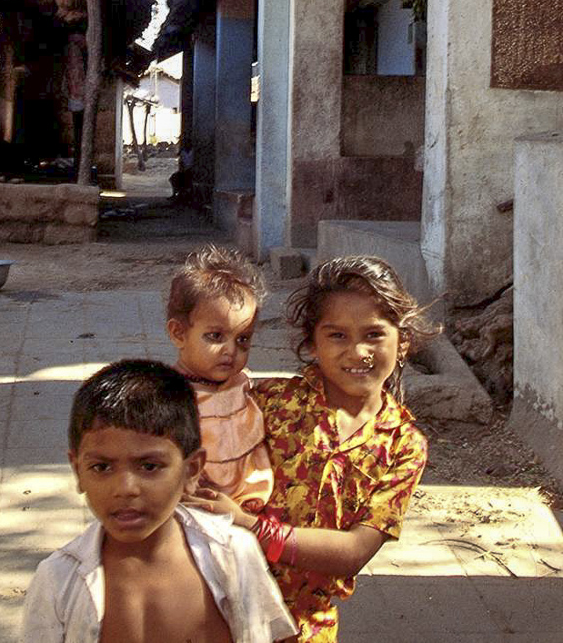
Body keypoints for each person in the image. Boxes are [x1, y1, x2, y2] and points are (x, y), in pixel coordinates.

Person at [187, 255, 438, 642]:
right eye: (337, 335)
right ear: (313, 343)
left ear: (402, 341)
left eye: (374, 334)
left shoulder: (404, 446)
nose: (357, 352)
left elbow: (355, 550)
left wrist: (252, 525)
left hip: (306, 627)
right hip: (220, 608)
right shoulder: (268, 402)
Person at [20, 358, 296, 643]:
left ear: (192, 470)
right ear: (78, 470)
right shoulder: (58, 581)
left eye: (149, 466)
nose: (126, 488)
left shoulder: (232, 555)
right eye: (101, 467)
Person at [167, 245, 273, 512]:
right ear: (179, 334)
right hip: (195, 509)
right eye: (215, 336)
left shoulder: (241, 383)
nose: (231, 351)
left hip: (250, 507)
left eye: (243, 339)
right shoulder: (171, 396)